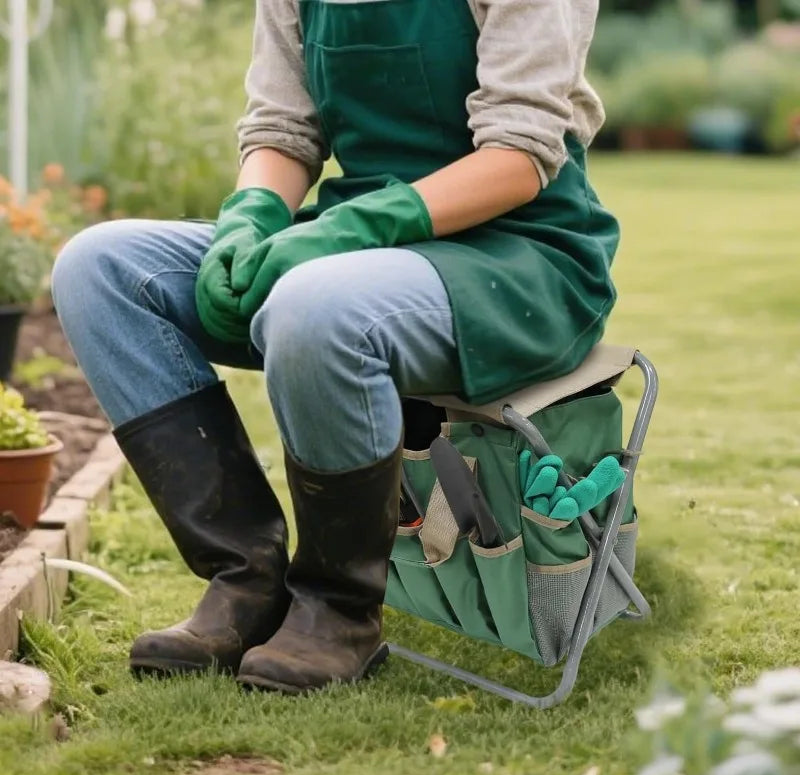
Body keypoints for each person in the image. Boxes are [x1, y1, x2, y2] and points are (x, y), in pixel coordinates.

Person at [51, 0, 620, 694]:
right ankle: (246, 582)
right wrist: (252, 218)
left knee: (315, 303)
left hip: (520, 258)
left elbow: (520, 155)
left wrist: (352, 229)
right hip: (359, 243)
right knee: (101, 269)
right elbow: (283, 131)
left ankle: (338, 609)